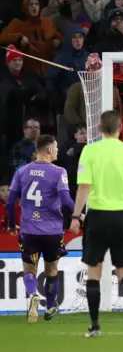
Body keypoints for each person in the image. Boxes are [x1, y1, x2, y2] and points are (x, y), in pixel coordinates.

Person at [70, 111, 123, 338]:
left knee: (94, 272)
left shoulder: (90, 151)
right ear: (121, 129)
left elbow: (83, 187)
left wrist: (75, 216)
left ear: (99, 128)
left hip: (97, 216)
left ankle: (95, 326)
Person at [6, 135, 75, 323]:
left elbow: (10, 201)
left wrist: (11, 224)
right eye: (57, 147)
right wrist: (79, 215)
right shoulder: (59, 172)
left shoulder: (22, 171)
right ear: (49, 150)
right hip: (52, 232)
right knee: (52, 269)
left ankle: (33, 294)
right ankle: (51, 306)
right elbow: (67, 201)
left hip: (29, 230)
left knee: (30, 269)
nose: (58, 150)